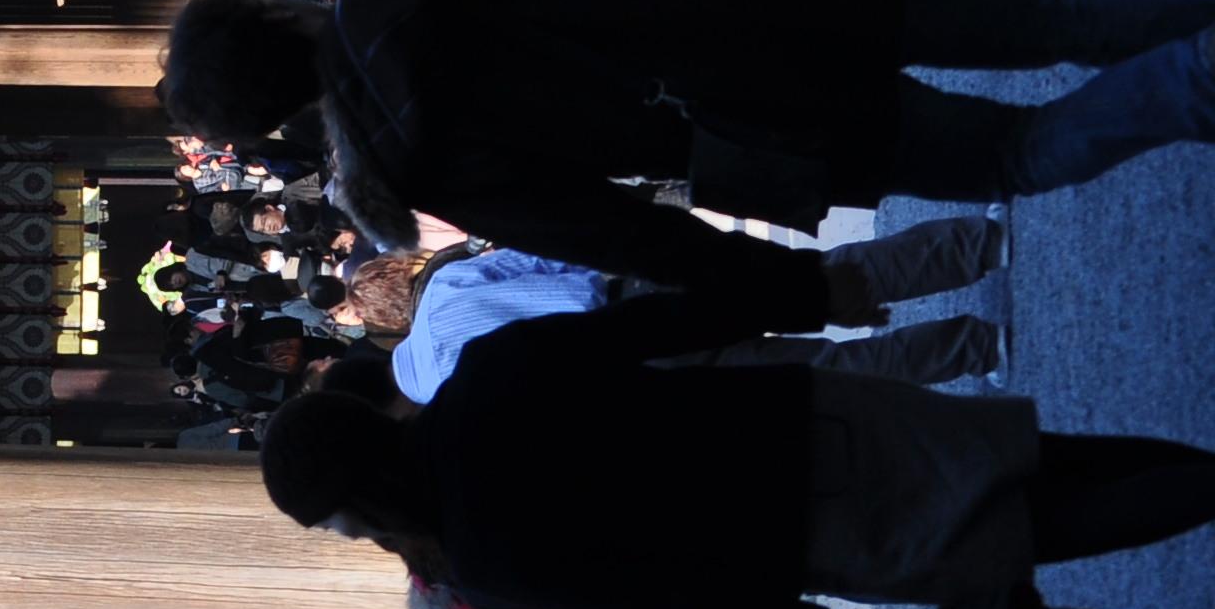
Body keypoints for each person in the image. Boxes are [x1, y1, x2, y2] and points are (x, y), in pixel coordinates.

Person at [155, 0, 1215, 340]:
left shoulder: (415, 167)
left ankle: (1187, 86)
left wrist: (798, 291)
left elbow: (627, 235)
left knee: (1011, 155)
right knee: (1041, 18)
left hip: (758, 126)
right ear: (271, 15)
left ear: (279, 117)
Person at [259, 294, 1215, 609]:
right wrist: (797, 290)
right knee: (1045, 455)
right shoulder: (485, 373)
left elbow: (666, 592)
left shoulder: (481, 562)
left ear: (353, 503)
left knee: (1039, 531)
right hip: (801, 416)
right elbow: (648, 325)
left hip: (804, 534)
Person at [389, 227, 1006, 397]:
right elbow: (538, 257)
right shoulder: (442, 291)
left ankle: (975, 349)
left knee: (819, 374)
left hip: (640, 372)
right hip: (626, 291)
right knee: (815, 278)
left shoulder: (453, 396)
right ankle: (973, 246)